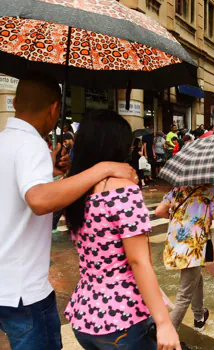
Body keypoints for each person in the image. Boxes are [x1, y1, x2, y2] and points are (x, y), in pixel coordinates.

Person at [0, 72, 136, 350]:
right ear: (54, 109)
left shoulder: (4, 141)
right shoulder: (32, 144)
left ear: (14, 102)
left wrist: (53, 175)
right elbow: (38, 201)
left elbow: (21, 206)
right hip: (23, 293)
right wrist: (102, 168)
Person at [64, 110, 181, 350]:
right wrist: (164, 322)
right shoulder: (123, 191)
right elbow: (138, 262)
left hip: (84, 316)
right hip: (122, 320)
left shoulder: (73, 189)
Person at [154, 184, 214, 333]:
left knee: (195, 279)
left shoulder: (177, 190)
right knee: (184, 296)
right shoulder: (211, 192)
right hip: (193, 248)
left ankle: (199, 317)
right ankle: (166, 338)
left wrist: (182, 220)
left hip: (175, 245)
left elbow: (159, 211)